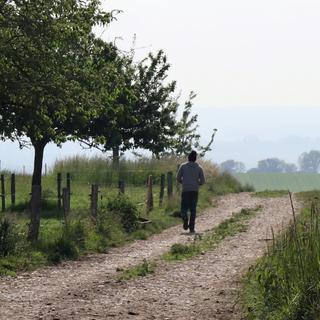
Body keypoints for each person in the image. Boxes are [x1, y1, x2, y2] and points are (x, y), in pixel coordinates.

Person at [177, 150, 205, 233]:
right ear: (195, 158)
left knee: (184, 208)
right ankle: (191, 228)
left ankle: (185, 218)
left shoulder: (183, 166)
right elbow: (203, 181)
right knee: (193, 209)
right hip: (194, 191)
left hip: (185, 190)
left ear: (188, 157)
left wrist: (184, 182)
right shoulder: (199, 168)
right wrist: (196, 184)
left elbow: (178, 178)